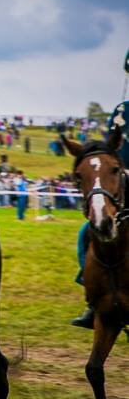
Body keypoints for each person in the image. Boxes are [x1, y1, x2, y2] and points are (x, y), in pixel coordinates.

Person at [71, 48, 129, 328]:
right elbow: (112, 148)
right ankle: (94, 300)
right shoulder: (121, 112)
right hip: (122, 187)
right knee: (86, 233)